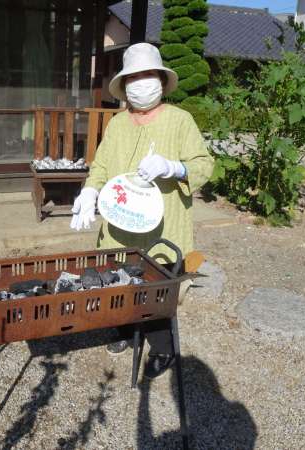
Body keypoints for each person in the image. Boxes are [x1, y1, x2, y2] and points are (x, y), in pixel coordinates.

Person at [70, 43, 214, 379]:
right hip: (120, 223)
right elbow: (101, 165)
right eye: (133, 77)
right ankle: (123, 330)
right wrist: (90, 190)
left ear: (161, 81)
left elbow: (204, 165)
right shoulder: (118, 124)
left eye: (148, 74)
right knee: (118, 281)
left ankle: (162, 348)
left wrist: (174, 167)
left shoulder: (180, 120)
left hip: (164, 227)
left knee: (157, 289)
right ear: (124, 85)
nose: (141, 83)